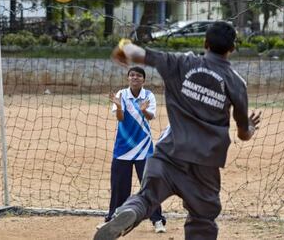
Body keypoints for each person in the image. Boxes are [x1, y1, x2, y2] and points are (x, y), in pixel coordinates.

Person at [94, 21, 261, 240]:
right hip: (205, 165)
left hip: (168, 155)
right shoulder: (237, 83)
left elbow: (135, 52)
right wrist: (250, 126)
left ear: (205, 43)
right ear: (232, 49)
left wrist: (123, 47)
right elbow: (242, 134)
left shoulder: (181, 62)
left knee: (145, 198)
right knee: (202, 219)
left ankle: (130, 211)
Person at [98, 66, 167, 233]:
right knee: (119, 185)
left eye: (138, 75)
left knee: (149, 185)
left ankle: (157, 220)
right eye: (131, 75)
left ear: (143, 80)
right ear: (128, 78)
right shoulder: (121, 94)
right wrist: (119, 107)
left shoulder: (148, 95)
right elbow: (120, 119)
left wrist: (144, 111)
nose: (134, 78)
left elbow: (151, 117)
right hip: (123, 148)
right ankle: (112, 218)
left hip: (144, 148)